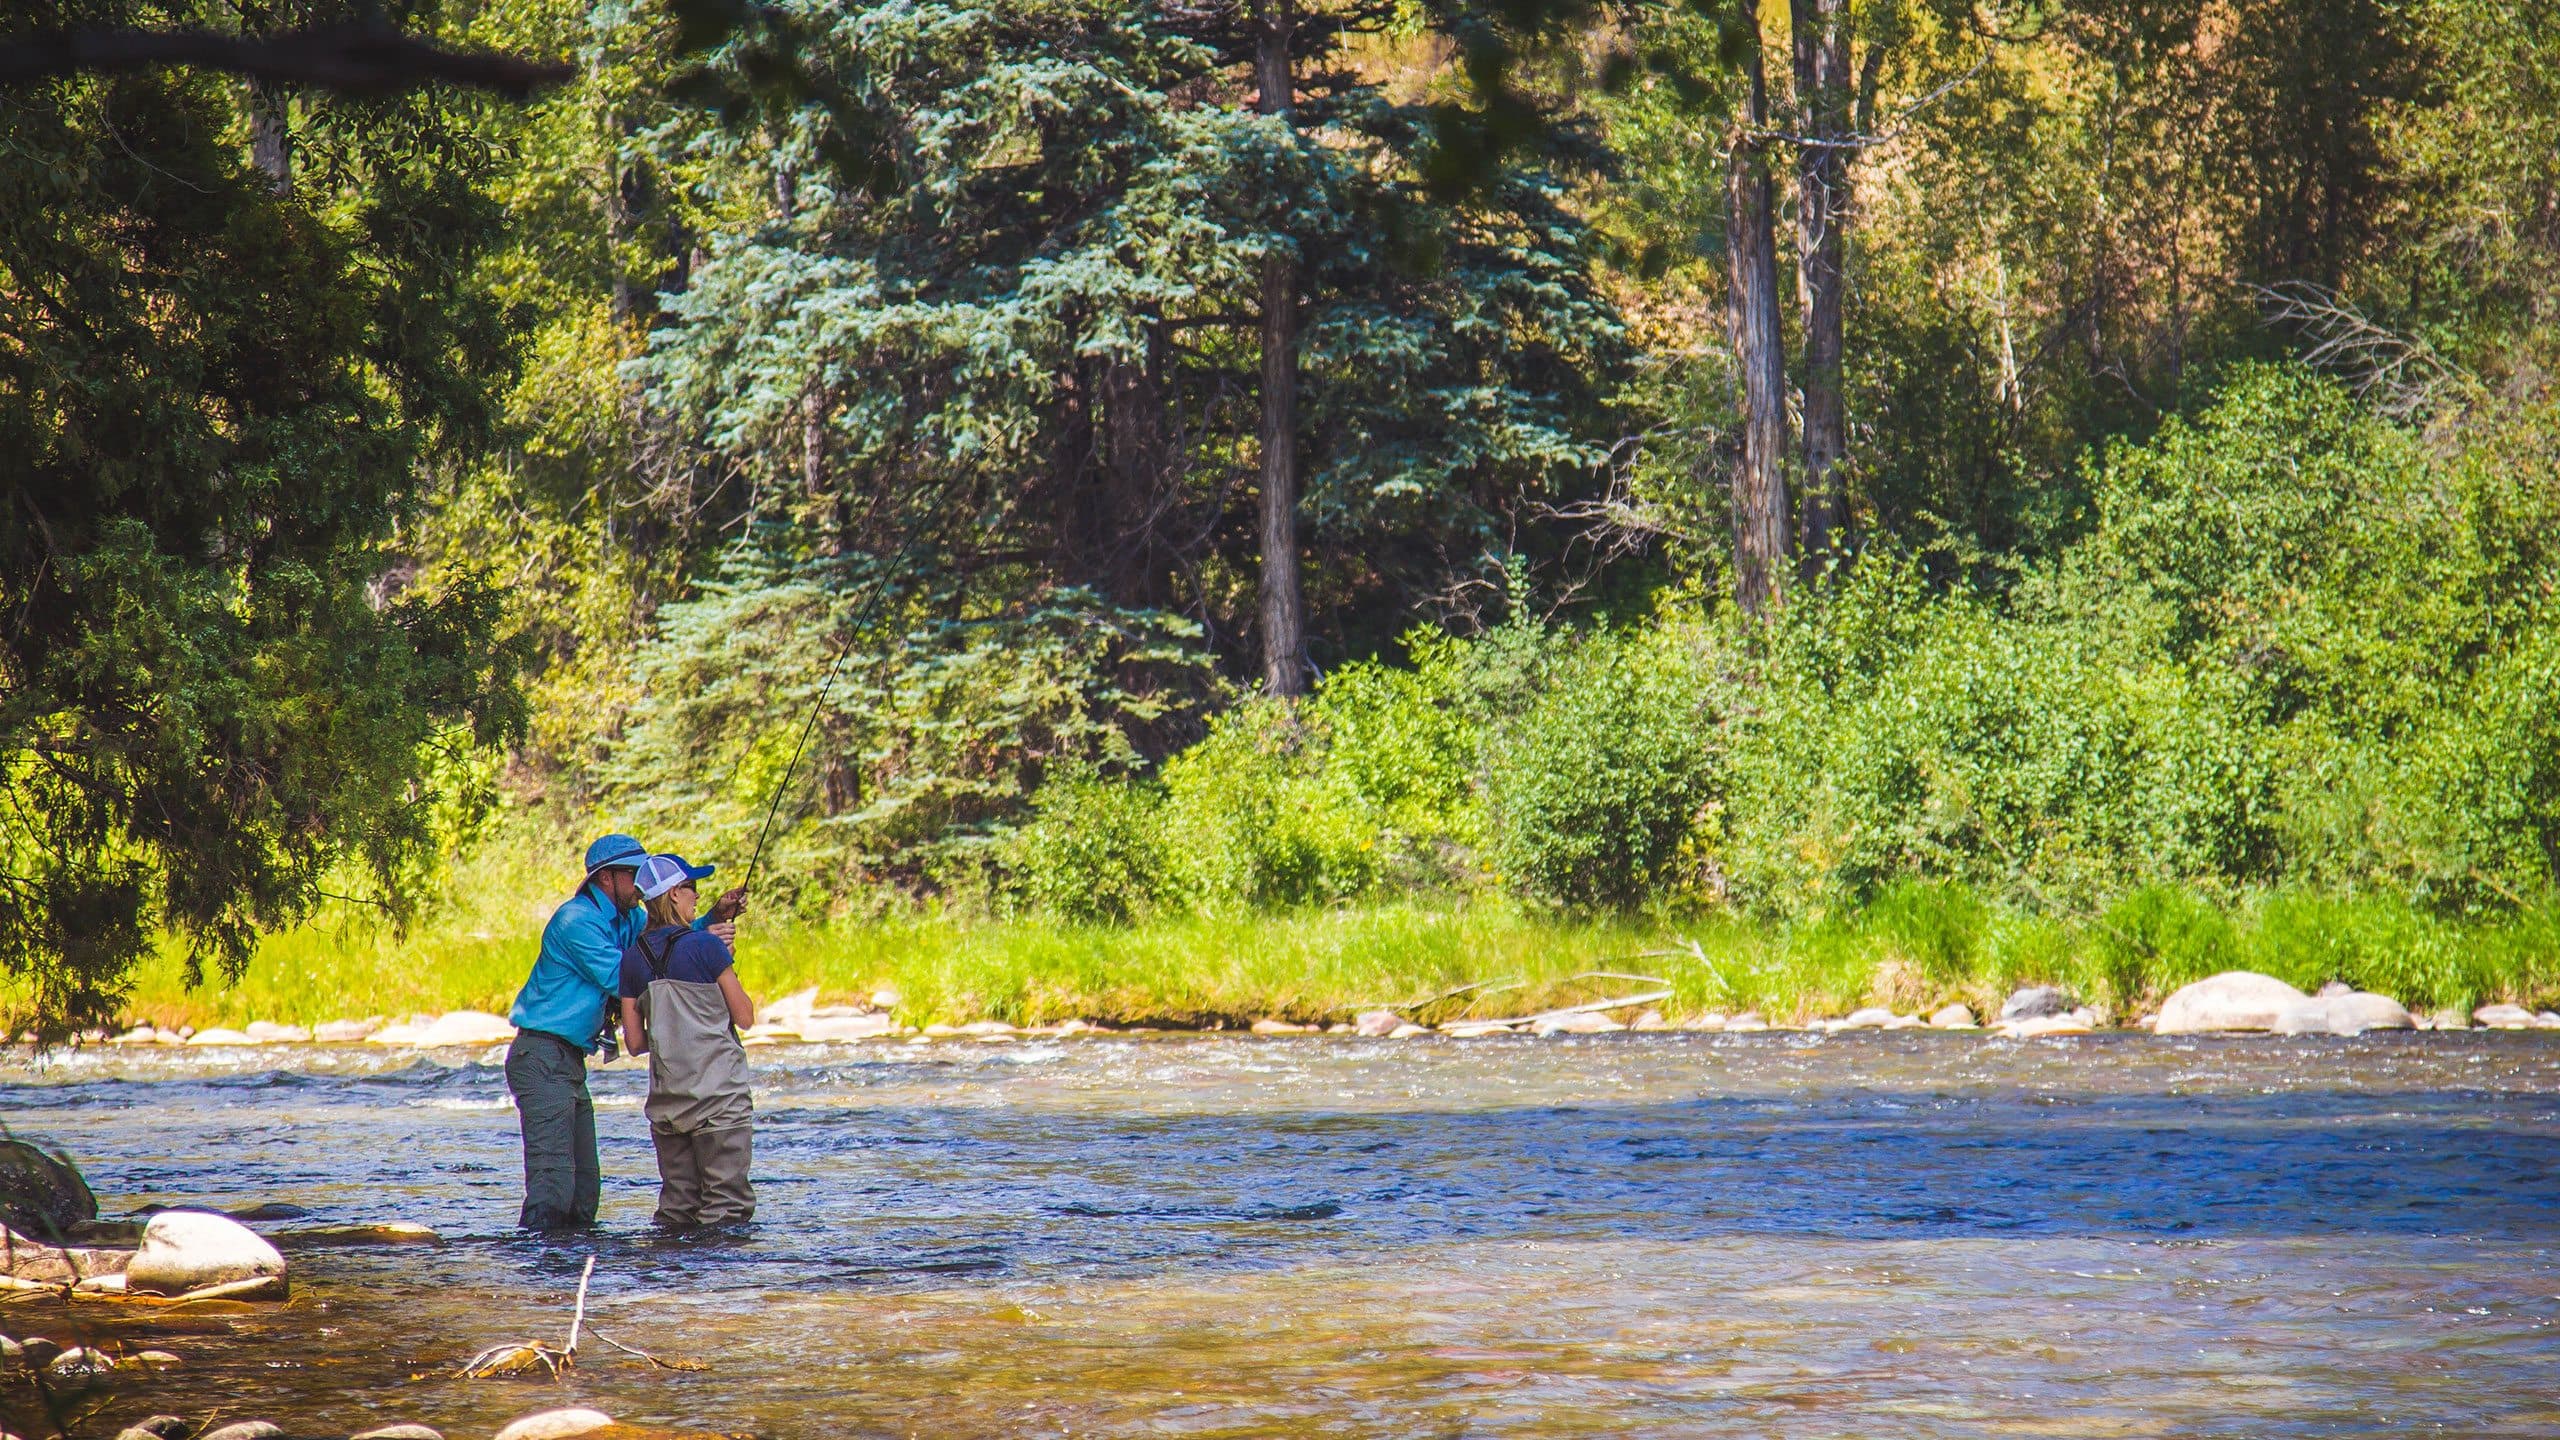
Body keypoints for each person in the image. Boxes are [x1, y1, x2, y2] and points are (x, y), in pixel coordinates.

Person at [506, 833, 745, 1231]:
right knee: (553, 1186)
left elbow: (666, 939)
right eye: (634, 875)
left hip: (566, 1061)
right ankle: (538, 1265)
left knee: (584, 1192)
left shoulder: (629, 917)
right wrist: (706, 950)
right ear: (606, 878)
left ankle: (571, 1263)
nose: (641, 884)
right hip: (541, 1057)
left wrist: (713, 918)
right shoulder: (576, 921)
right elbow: (626, 977)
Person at [617, 853, 756, 1227]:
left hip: (668, 1106)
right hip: (720, 1101)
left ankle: (671, 1264)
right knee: (726, 1209)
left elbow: (635, 1043)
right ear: (675, 894)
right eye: (692, 887)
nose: (697, 895)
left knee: (678, 1210)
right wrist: (725, 963)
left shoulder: (631, 959)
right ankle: (717, 1268)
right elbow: (745, 1017)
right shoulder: (707, 947)